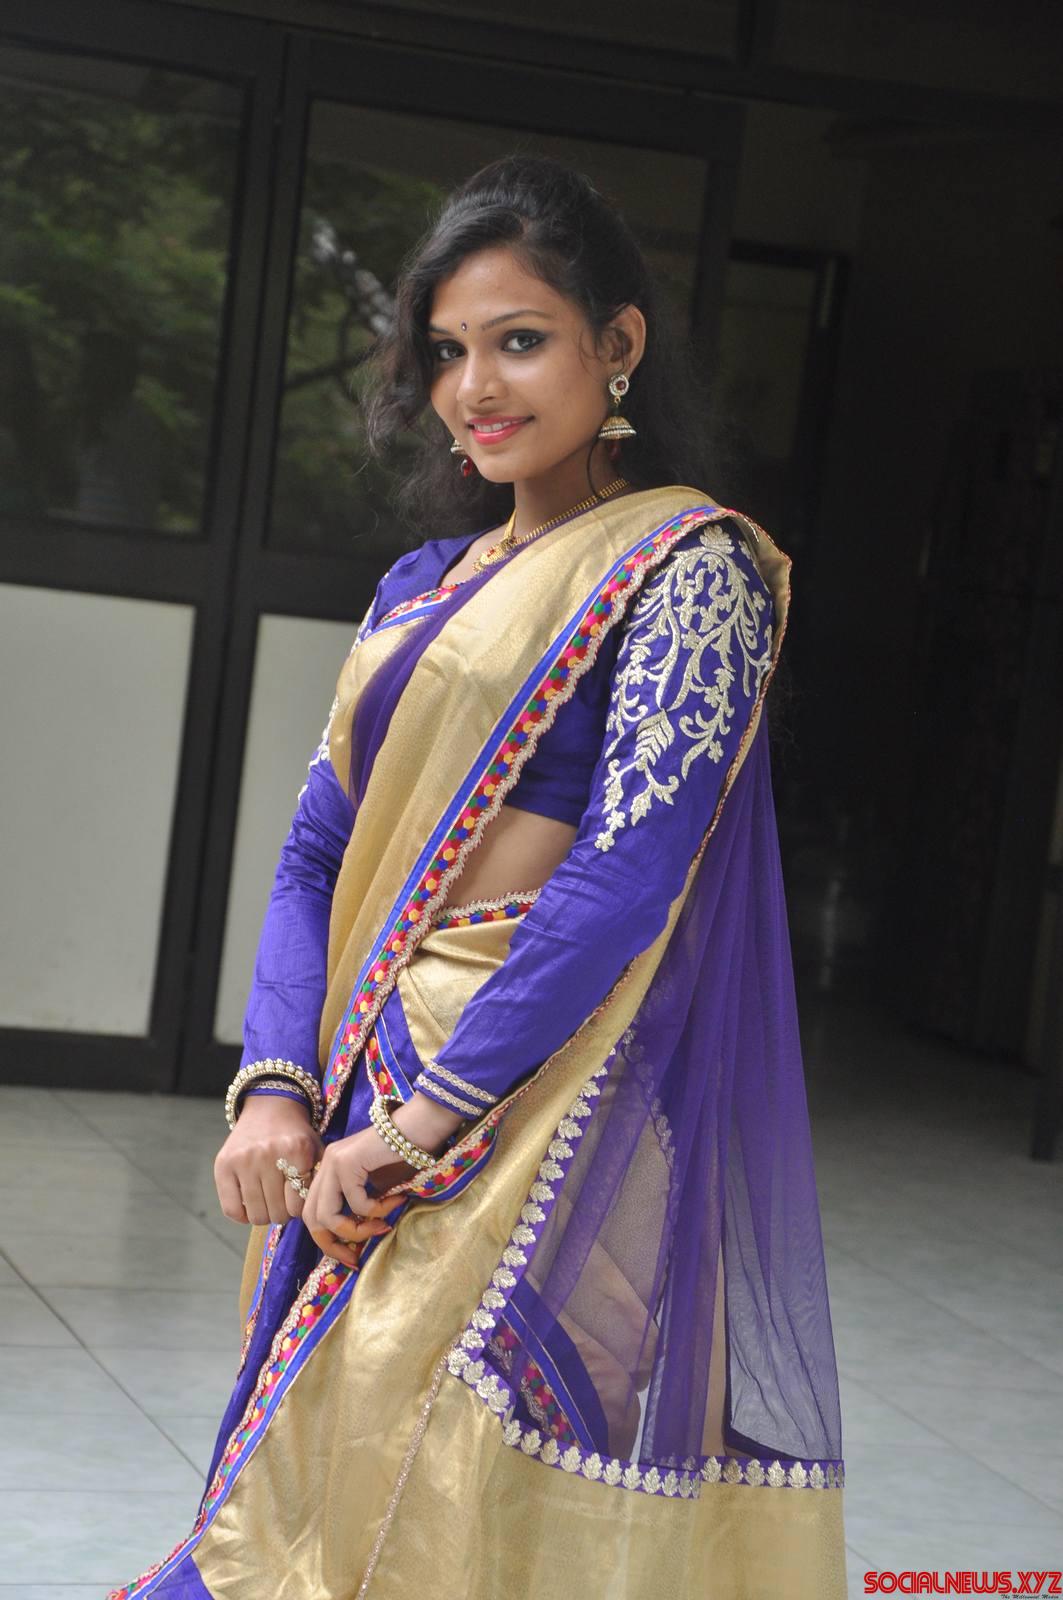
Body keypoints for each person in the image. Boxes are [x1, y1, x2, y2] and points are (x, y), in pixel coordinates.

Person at [109, 155, 846, 1600]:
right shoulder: (422, 586)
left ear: (617, 346)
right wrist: (275, 1085)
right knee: (300, 1511)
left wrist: (422, 1126)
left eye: (518, 340)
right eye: (448, 351)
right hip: (356, 1095)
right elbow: (317, 852)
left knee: (462, 1517)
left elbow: (624, 876)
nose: (474, 388)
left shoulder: (686, 568)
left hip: (538, 1106)